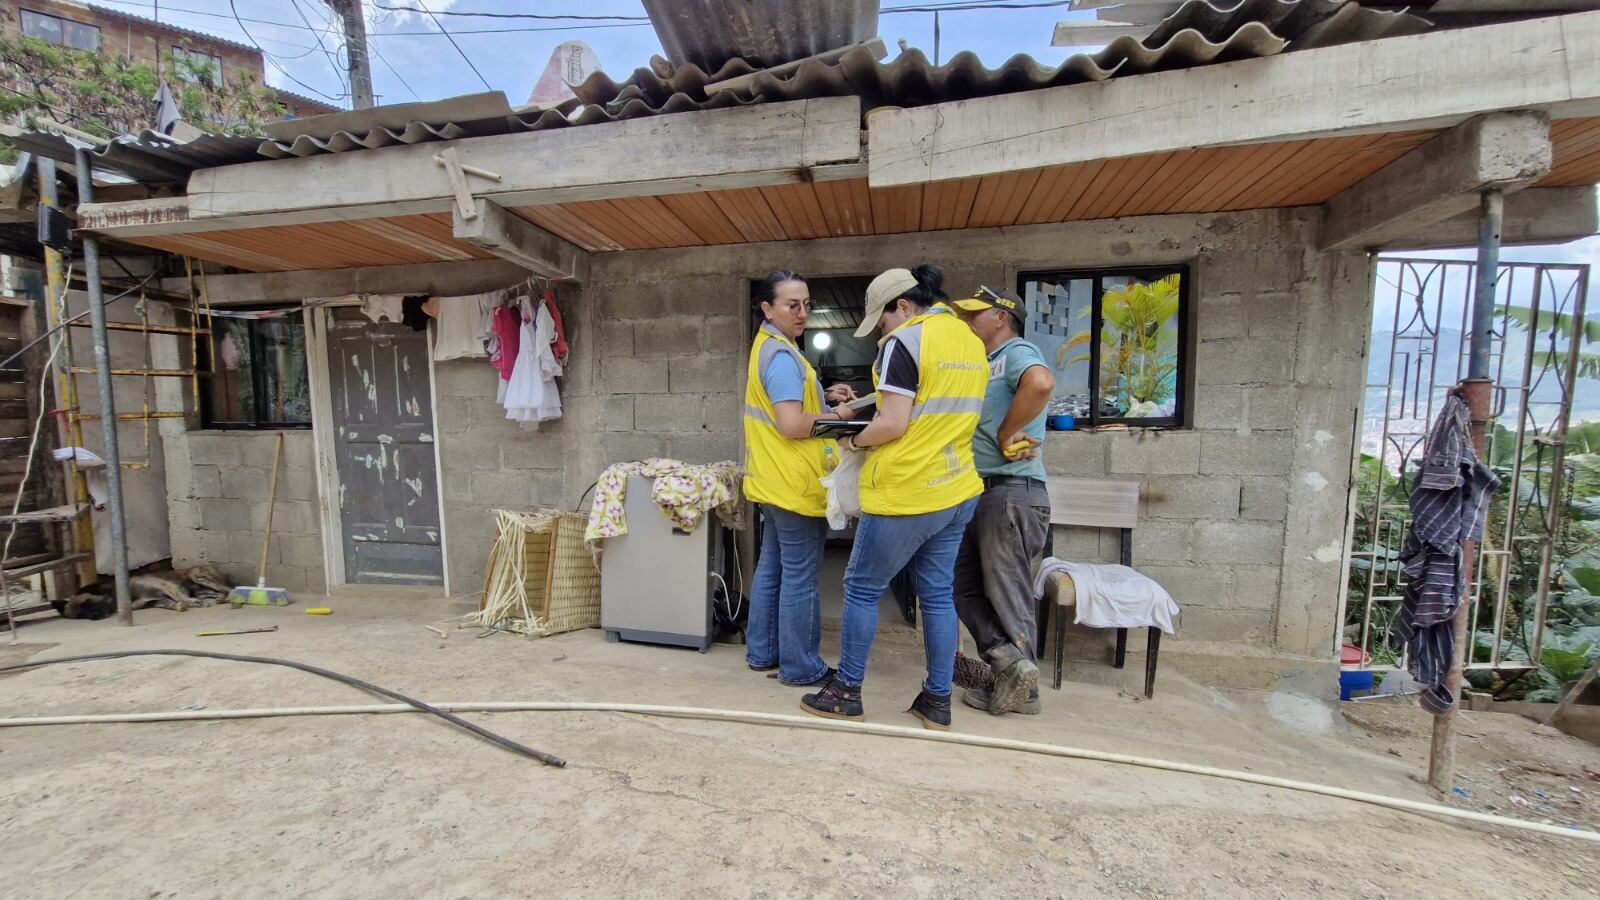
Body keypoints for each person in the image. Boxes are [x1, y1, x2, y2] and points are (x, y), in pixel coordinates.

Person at [800, 265, 988, 730]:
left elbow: (894, 424)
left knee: (861, 588)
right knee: (938, 595)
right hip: (957, 486)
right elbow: (933, 408)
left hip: (908, 489)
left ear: (903, 306)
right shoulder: (968, 340)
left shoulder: (904, 342)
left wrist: (852, 441)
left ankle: (846, 691)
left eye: (881, 321)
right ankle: (937, 701)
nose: (880, 332)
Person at [743, 271, 857, 687]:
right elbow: (792, 424)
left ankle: (762, 652)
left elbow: (787, 407)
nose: (803, 312)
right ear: (767, 308)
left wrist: (823, 398)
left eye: (807, 304)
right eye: (793, 305)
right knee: (800, 576)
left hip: (774, 478)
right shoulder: (783, 357)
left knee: (773, 567)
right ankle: (800, 666)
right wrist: (839, 417)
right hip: (794, 482)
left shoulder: (773, 349)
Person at [951, 286, 1056, 715]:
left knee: (1006, 592)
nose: (969, 320)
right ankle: (1009, 665)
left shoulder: (1017, 351)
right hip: (981, 492)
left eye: (976, 313)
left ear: (1001, 316)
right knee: (960, 585)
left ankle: (1024, 693)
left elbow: (1041, 382)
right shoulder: (985, 363)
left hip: (1012, 491)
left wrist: (1004, 432)